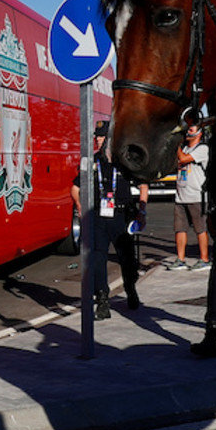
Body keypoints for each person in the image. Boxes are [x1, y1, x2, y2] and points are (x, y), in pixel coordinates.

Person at [71, 121, 147, 319]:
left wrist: (142, 211)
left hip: (121, 217)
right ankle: (102, 300)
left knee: (127, 259)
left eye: (101, 136)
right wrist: (80, 207)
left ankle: (130, 289)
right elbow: (75, 188)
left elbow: (143, 186)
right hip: (98, 217)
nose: (97, 139)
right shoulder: (92, 162)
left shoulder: (125, 161)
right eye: (96, 136)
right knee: (98, 258)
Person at [170, 119, 211, 270]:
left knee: (200, 228)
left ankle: (204, 259)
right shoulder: (185, 148)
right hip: (181, 195)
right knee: (180, 228)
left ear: (199, 132)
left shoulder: (202, 149)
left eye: (191, 129)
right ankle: (180, 259)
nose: (188, 131)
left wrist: (176, 144)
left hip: (196, 196)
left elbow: (183, 159)